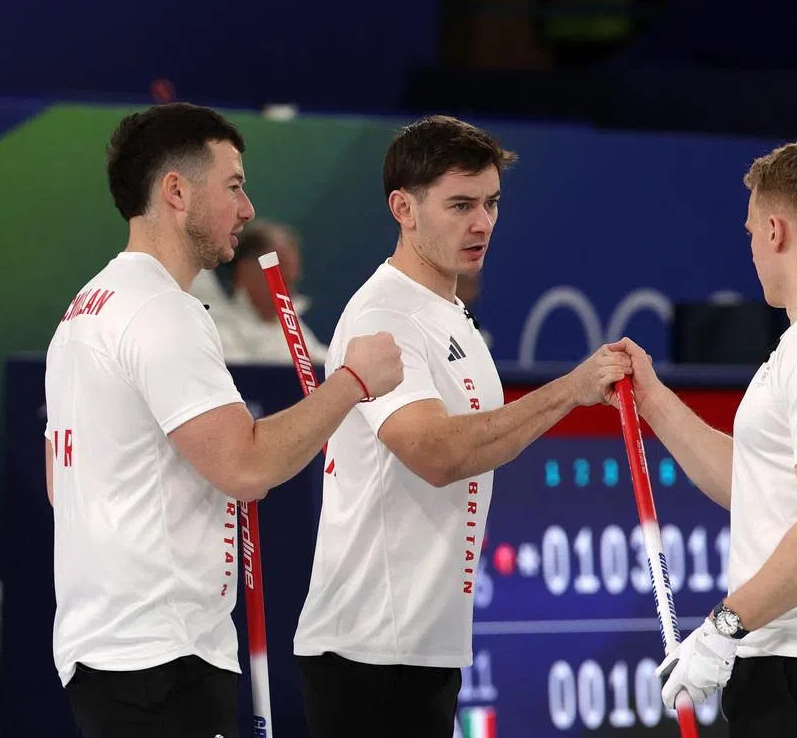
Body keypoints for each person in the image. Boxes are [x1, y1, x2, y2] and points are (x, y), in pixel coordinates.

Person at [43, 102, 404, 738]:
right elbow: (247, 465)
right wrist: (353, 380)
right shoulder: (162, 311)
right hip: (164, 659)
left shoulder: (83, 311)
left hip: (106, 655)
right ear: (176, 191)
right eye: (234, 185)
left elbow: (60, 484)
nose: (247, 208)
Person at [292, 114, 631, 738]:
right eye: (460, 205)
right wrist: (571, 391)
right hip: (368, 651)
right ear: (404, 208)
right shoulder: (382, 316)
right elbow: (436, 453)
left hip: (426, 647)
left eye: (491, 203)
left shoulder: (449, 310)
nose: (482, 224)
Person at [611, 140, 797, 737]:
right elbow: (755, 484)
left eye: (751, 231)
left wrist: (723, 627)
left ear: (775, 231)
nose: (750, 247)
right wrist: (652, 399)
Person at [200, 218, 329, 365]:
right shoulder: (218, 324)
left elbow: (319, 362)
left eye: (291, 280)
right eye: (281, 273)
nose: (291, 274)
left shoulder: (291, 321)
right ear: (245, 269)